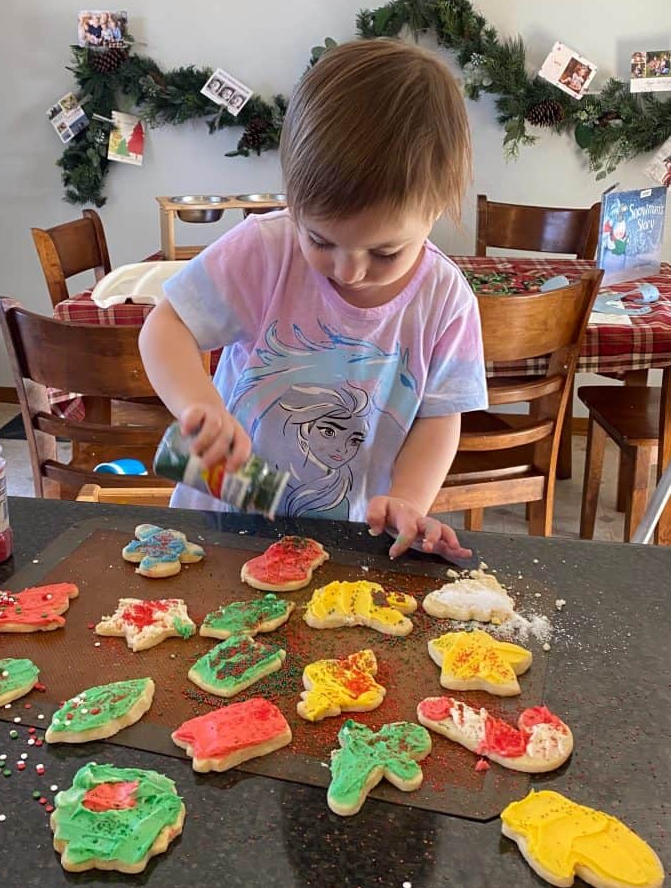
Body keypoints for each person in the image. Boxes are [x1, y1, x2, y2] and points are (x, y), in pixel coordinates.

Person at [140, 39, 487, 559]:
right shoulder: (266, 249)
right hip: (214, 525)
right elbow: (164, 328)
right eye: (320, 241)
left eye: (385, 251)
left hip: (344, 540)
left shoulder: (446, 300)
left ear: (436, 208)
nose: (348, 270)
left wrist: (408, 501)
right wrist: (199, 407)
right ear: (293, 200)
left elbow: (440, 419)